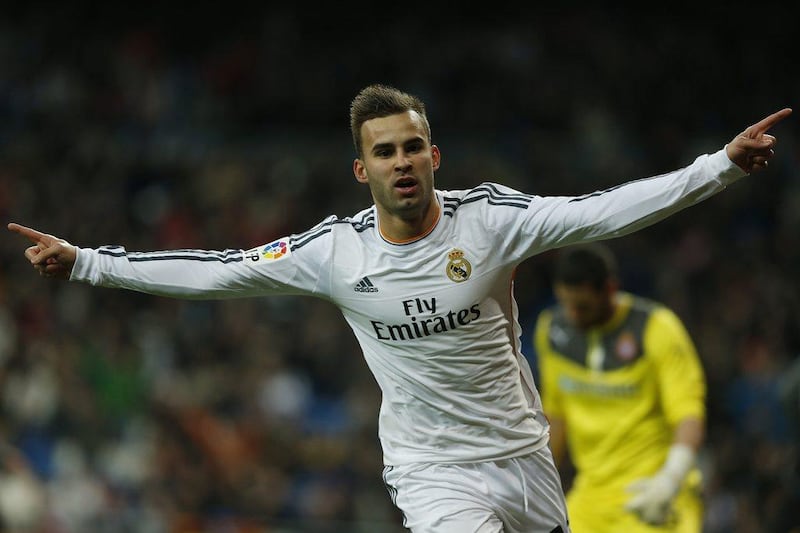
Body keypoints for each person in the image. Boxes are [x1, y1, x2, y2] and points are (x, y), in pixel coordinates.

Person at [7, 84, 790, 532]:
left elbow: (602, 211)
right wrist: (88, 264)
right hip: (431, 469)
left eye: (413, 146)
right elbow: (217, 272)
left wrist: (718, 167)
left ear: (434, 154)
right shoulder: (336, 253)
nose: (402, 161)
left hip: (523, 455)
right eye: (385, 151)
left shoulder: (491, 220)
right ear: (362, 168)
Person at [533, 242, 706, 532]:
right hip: (591, 499)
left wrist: (671, 479)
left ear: (610, 289)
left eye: (583, 306)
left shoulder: (656, 328)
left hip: (653, 493)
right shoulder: (552, 331)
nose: (573, 315)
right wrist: (537, 486)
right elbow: (556, 417)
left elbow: (689, 413)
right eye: (565, 303)